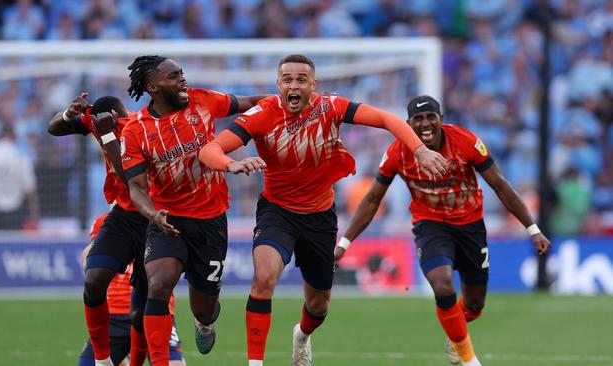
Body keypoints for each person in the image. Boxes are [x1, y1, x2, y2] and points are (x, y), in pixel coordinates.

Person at [198, 54, 448, 366]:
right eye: (287, 79)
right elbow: (209, 150)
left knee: (318, 307)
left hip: (320, 216)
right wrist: (231, 164)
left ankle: (301, 336)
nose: (294, 85)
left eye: (301, 79)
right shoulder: (263, 114)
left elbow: (388, 119)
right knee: (264, 278)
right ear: (278, 84)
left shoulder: (331, 107)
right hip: (278, 213)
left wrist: (420, 150)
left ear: (313, 85)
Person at [335, 95, 552, 366]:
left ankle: (456, 333)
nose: (425, 124)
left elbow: (500, 186)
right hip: (431, 225)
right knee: (442, 283)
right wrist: (344, 242)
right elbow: (372, 199)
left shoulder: (466, 142)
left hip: (470, 226)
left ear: (441, 119)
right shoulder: (396, 152)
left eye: (430, 117)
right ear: (408, 124)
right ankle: (470, 360)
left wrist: (532, 229)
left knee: (474, 306)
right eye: (418, 119)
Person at [120, 55, 266, 366]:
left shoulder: (204, 100)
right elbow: (136, 188)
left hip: (211, 220)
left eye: (181, 73)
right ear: (153, 87)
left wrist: (290, 103)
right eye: (173, 76)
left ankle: (205, 322)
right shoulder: (135, 131)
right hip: (167, 220)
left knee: (204, 307)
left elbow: (251, 102)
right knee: (158, 285)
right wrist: (152, 215)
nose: (182, 79)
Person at [48, 94, 150, 366]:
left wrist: (106, 136)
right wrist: (69, 114)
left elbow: (127, 175)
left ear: (116, 118)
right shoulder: (99, 121)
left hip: (153, 218)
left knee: (141, 313)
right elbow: (54, 128)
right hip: (123, 216)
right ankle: (103, 361)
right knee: (93, 281)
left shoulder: (138, 127)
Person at [78, 214, 187, 366]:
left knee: (174, 364)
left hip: (153, 309)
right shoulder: (107, 221)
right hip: (114, 315)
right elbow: (87, 260)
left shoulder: (166, 219)